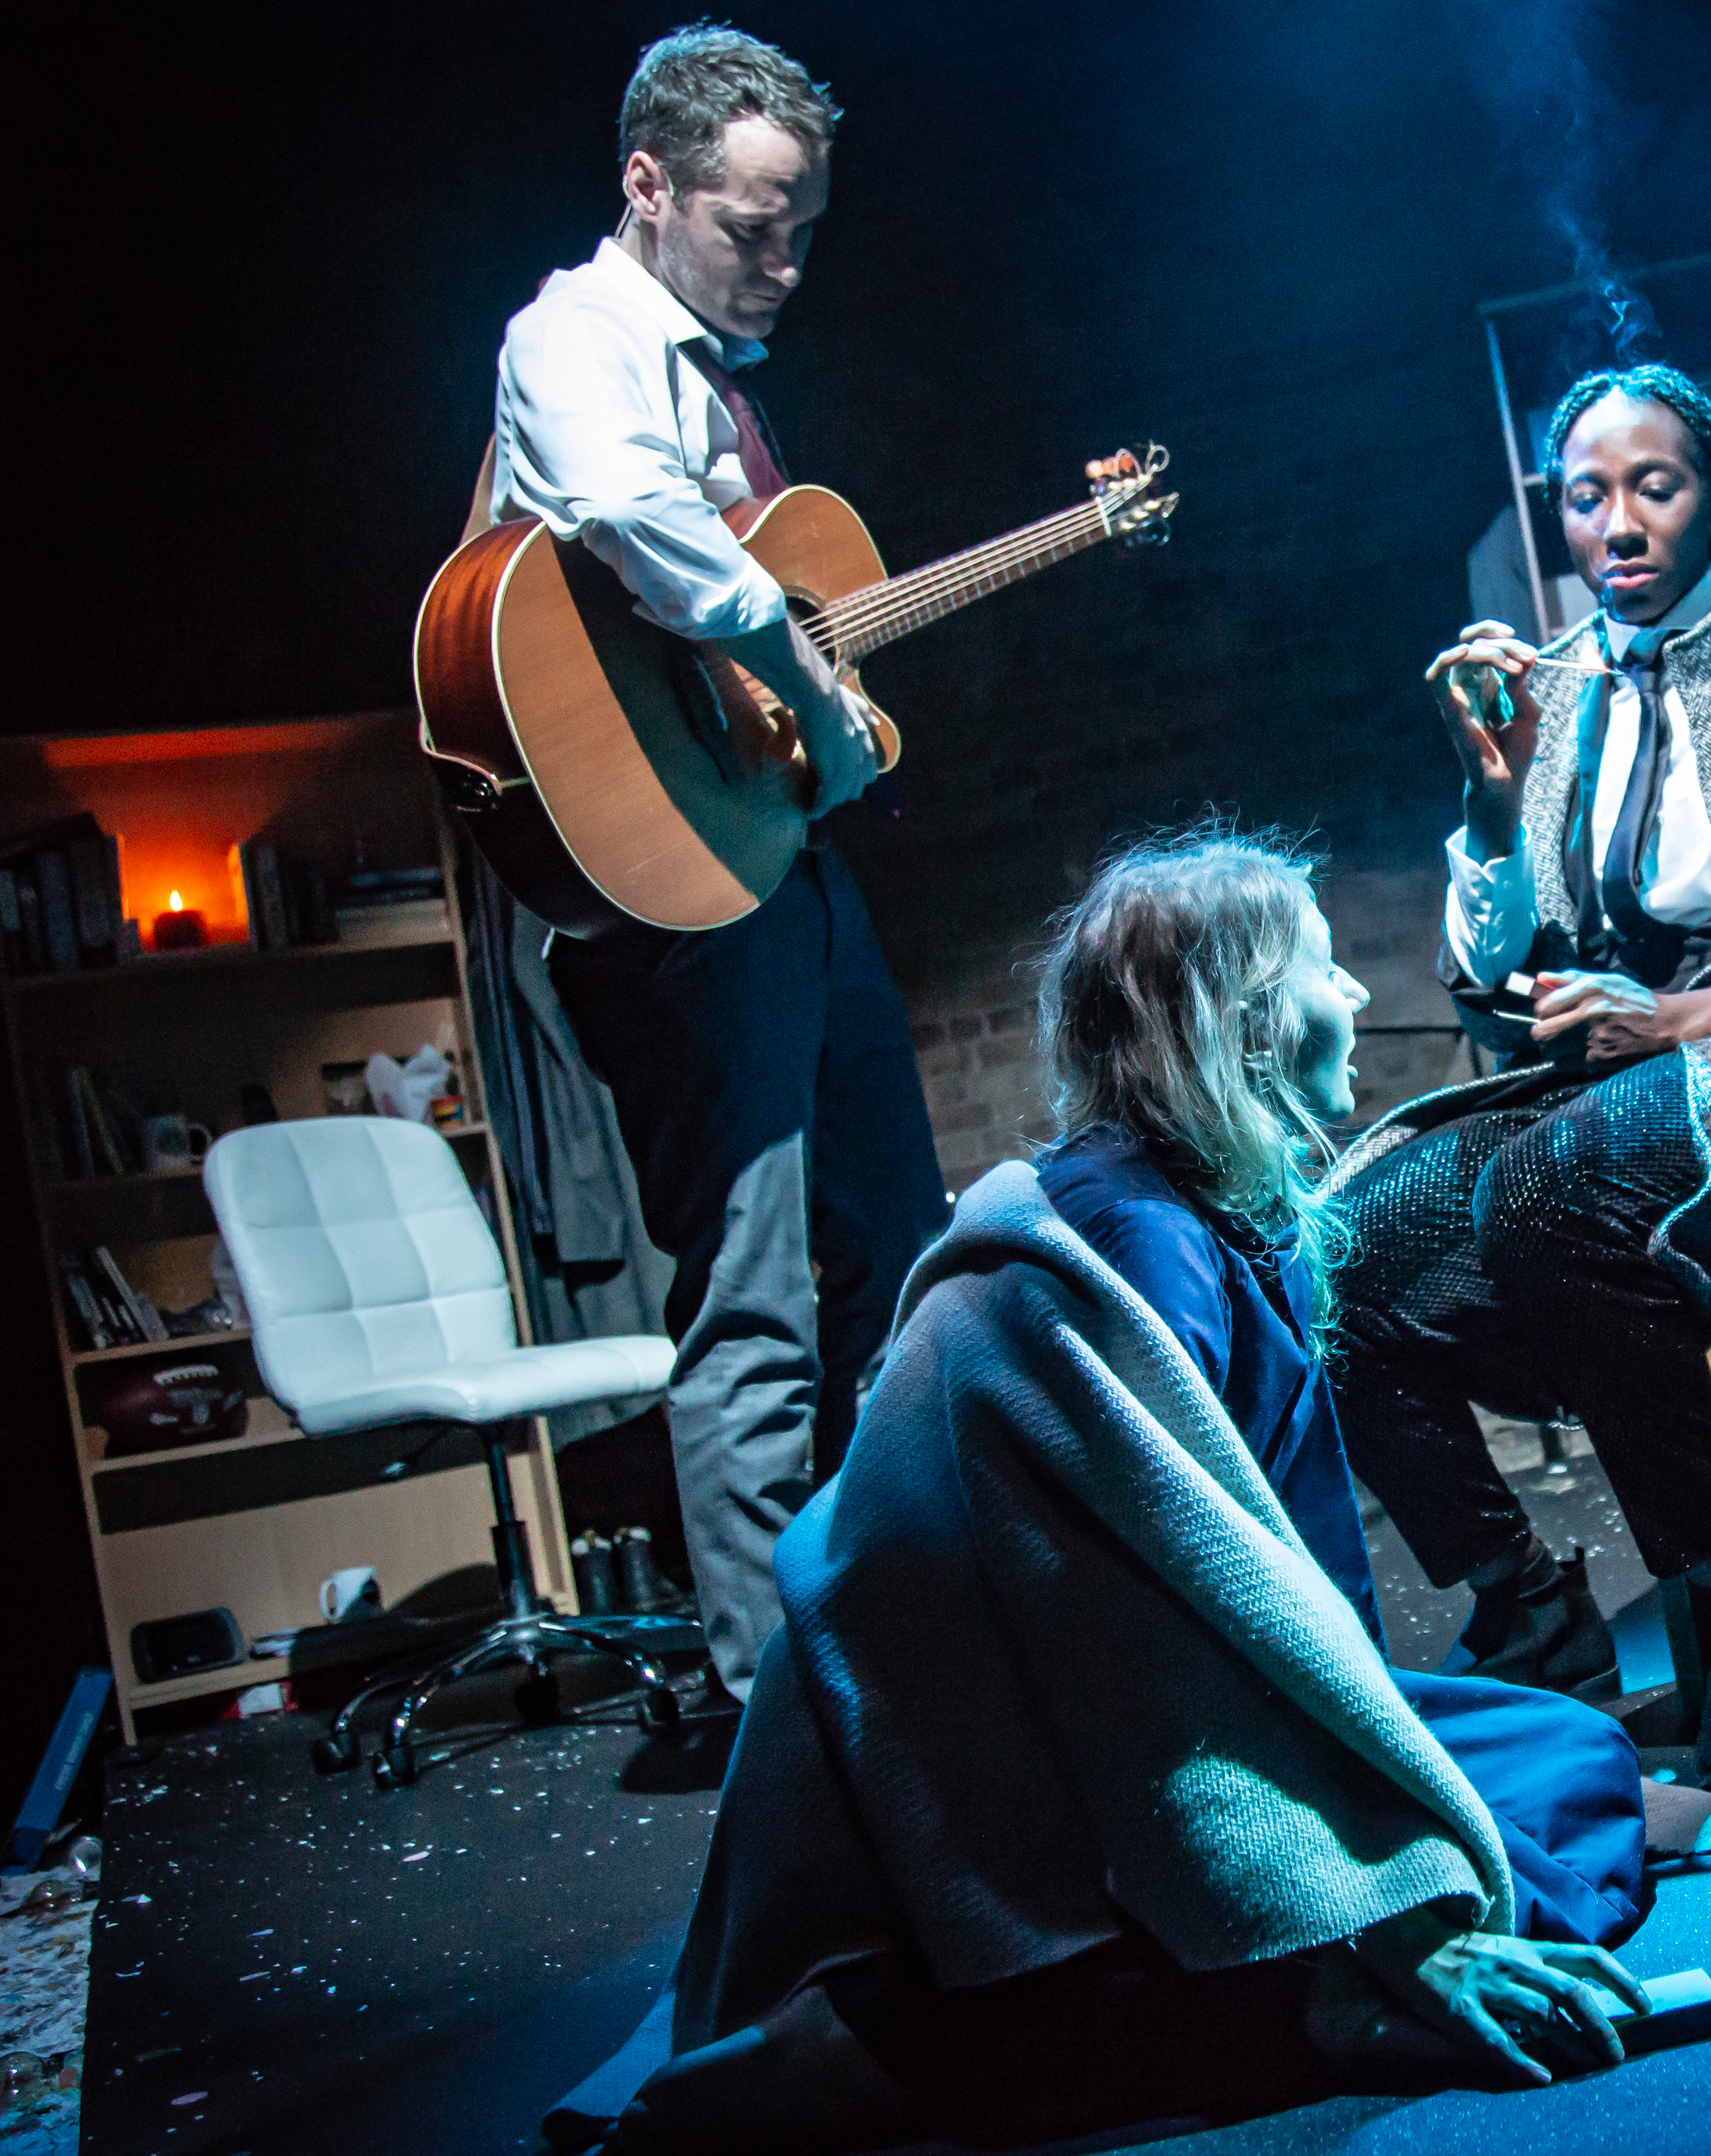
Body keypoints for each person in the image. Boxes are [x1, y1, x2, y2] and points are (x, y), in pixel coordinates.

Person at [577, 833, 1711, 2154]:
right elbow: (1136, 1625)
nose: (1352, 997)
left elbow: (1268, 1578)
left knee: (1564, 1756)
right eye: (1325, 971)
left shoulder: (1214, 1205)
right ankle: (893, 2044)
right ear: (1240, 1027)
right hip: (1016, 1753)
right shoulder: (1137, 1243)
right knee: (1430, 1899)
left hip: (1139, 1694)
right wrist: (1383, 1914)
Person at [1323, 364, 1711, 1791]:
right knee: (1331, 1247)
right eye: (1587, 496)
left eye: (1653, 487)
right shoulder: (1555, 691)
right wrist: (1489, 796)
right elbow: (1487, 980)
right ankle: (1526, 1612)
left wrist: (1697, 1014)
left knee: (1554, 1186)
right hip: (1607, 1097)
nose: (1620, 523)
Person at [484, 26, 959, 1699]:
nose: (783, 261)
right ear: (648, 185)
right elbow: (632, 517)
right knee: (752, 1305)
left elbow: (735, 583)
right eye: (753, 222)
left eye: (804, 227)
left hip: (779, 868)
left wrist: (804, 698)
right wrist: (808, 681)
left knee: (910, 1250)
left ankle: (919, 1628)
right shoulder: (577, 334)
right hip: (679, 890)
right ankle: (788, 1729)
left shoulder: (705, 370)